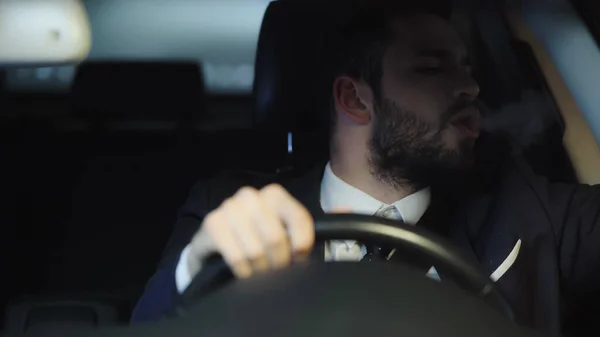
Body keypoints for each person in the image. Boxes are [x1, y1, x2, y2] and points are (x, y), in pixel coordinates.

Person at [131, 1, 600, 335]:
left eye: (467, 67)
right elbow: (146, 328)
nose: (470, 87)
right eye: (432, 68)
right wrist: (196, 267)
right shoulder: (231, 207)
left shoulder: (526, 205)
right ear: (354, 99)